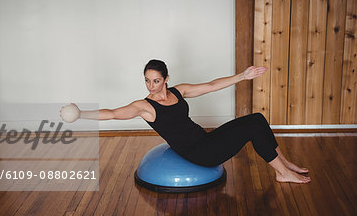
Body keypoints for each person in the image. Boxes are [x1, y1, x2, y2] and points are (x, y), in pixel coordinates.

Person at [61, 59, 311, 184]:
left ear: (166, 79)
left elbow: (212, 85)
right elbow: (113, 113)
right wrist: (82, 114)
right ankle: (282, 174)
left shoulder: (179, 91)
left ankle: (285, 164)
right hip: (201, 154)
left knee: (257, 118)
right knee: (253, 127)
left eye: (156, 80)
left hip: (206, 140)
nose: (151, 86)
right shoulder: (145, 107)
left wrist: (242, 76)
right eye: (147, 80)